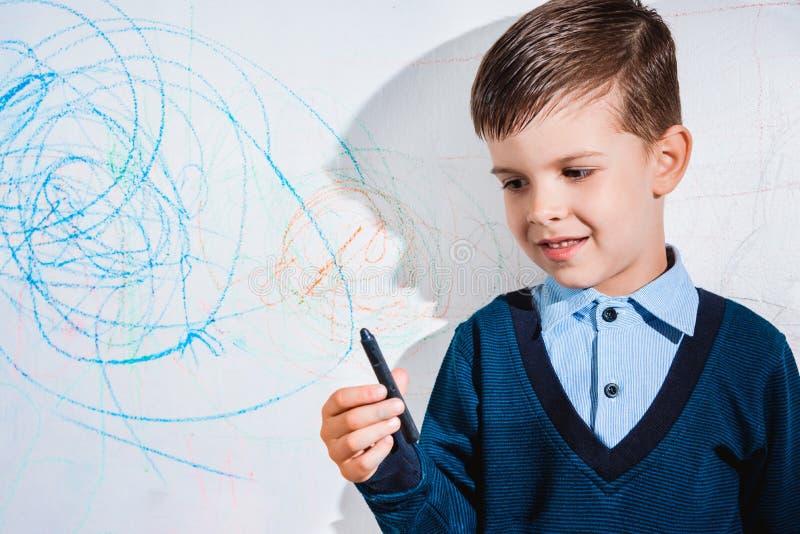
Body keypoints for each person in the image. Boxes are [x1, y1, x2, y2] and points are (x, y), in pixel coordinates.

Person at [319, 0, 800, 531]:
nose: (540, 209)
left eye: (575, 171)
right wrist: (390, 471)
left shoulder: (755, 359)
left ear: (665, 162)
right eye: (515, 182)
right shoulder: (484, 348)